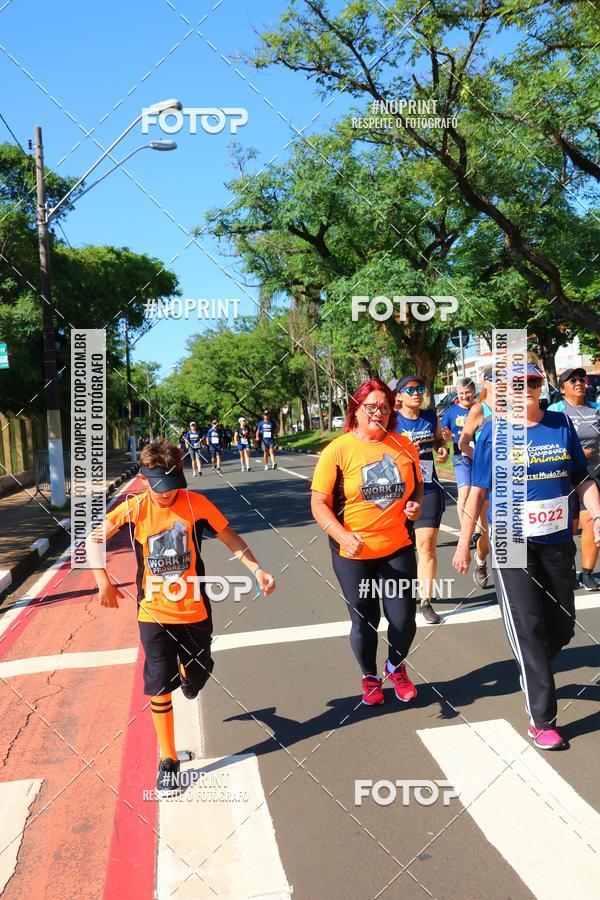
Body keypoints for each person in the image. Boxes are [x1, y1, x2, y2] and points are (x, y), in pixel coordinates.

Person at [90, 439, 275, 793]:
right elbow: (95, 538)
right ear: (144, 480)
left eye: (174, 487)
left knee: (198, 675)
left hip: (194, 610)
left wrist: (257, 570)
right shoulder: (136, 508)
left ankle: (189, 672)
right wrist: (103, 582)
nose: (168, 495)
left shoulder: (196, 503)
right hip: (153, 612)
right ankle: (169, 760)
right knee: (158, 683)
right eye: (161, 488)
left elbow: (230, 537)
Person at [453, 362, 600, 750]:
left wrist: (597, 515)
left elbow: (582, 478)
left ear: (541, 386)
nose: (527, 388)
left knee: (563, 624)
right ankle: (542, 718)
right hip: (509, 539)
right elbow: (477, 492)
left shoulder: (560, 424)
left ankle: (533, 669)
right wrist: (465, 541)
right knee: (528, 626)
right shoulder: (493, 433)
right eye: (518, 383)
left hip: (554, 538)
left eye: (533, 381)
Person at [311, 379, 423, 706]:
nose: (378, 413)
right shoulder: (338, 450)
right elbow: (319, 504)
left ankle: (395, 667)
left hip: (397, 545)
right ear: (356, 411)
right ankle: (370, 677)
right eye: (371, 407)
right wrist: (343, 535)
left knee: (403, 619)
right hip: (353, 553)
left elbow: (415, 487)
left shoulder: (404, 446)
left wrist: (415, 506)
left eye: (385, 408)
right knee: (365, 618)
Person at [390, 375, 448, 625]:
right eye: (410, 389)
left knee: (426, 545)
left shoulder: (430, 417)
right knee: (401, 548)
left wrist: (442, 447)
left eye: (420, 389)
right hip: (397, 492)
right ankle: (402, 594)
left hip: (428, 487)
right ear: (399, 395)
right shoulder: (391, 422)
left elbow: (438, 440)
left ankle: (426, 601)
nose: (416, 393)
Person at [548, 367, 600, 590]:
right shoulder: (556, 411)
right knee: (569, 527)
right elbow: (547, 444)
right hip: (565, 475)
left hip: (593, 474)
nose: (579, 383)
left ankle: (587, 573)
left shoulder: (596, 409)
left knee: (591, 521)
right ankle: (565, 571)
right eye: (572, 380)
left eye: (581, 379)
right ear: (562, 389)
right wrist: (574, 452)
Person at [458, 367, 495, 586]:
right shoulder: (479, 410)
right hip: (487, 480)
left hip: (513, 478)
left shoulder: (516, 408)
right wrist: (480, 458)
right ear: (485, 382)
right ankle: (480, 561)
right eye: (495, 378)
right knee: (490, 532)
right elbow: (463, 443)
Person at [441, 378, 477, 529]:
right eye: (461, 393)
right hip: (460, 457)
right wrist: (446, 437)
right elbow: (442, 433)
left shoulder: (480, 409)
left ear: (473, 392)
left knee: (479, 494)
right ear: (457, 394)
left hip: (479, 456)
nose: (465, 396)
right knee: (464, 492)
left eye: (468, 392)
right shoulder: (451, 412)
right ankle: (466, 531)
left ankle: (479, 530)